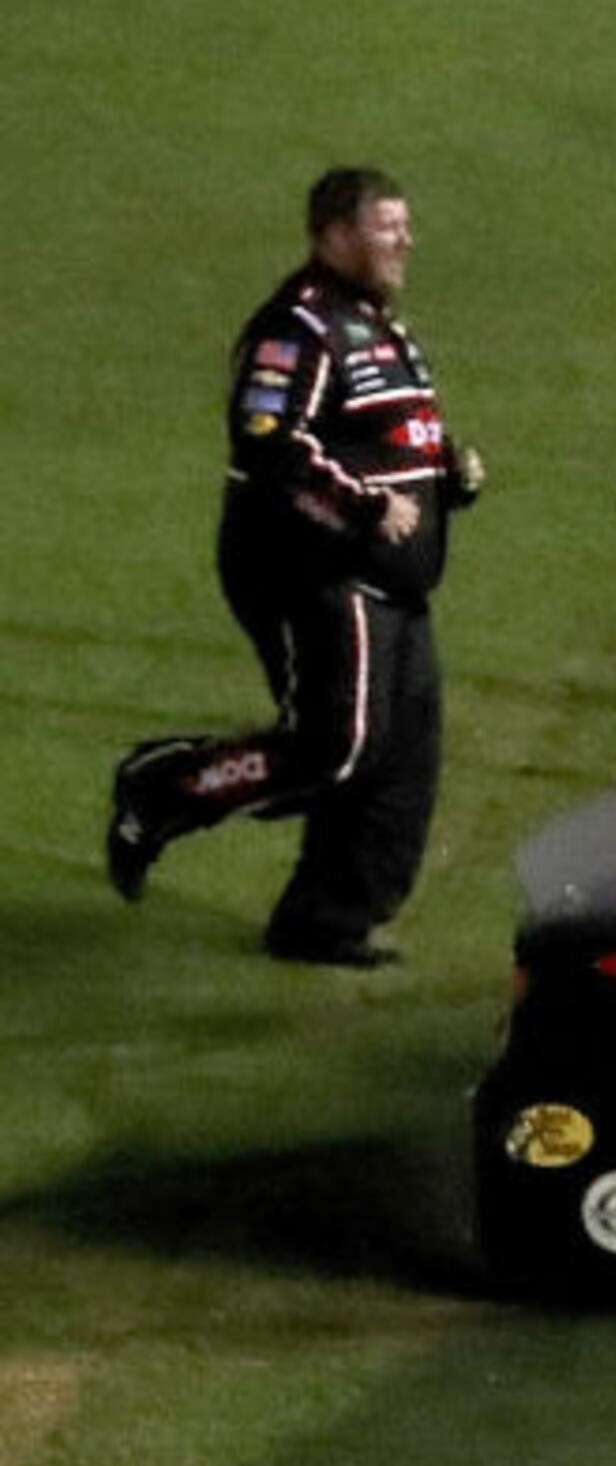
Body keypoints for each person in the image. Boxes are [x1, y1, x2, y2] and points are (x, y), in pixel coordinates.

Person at [108, 167, 484, 963]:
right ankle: (167, 785)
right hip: (316, 566)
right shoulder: (298, 329)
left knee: (403, 758)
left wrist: (447, 471)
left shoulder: (383, 329)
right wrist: (365, 506)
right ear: (335, 235)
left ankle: (326, 919)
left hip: (391, 578)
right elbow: (268, 439)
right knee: (336, 745)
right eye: (388, 227)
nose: (405, 240)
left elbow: (386, 437)